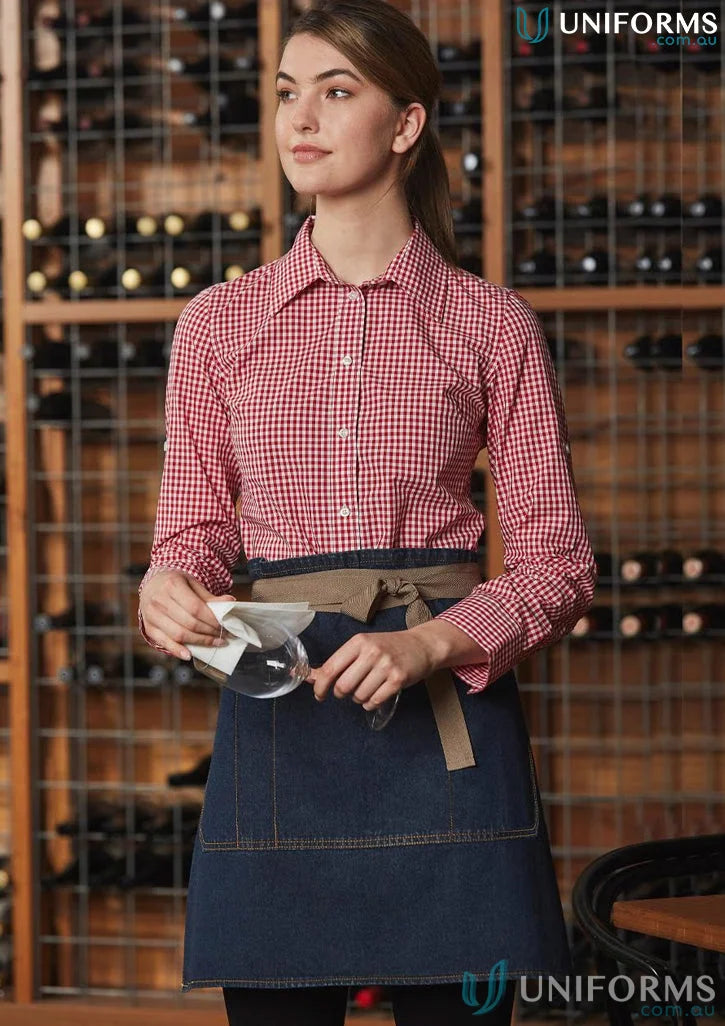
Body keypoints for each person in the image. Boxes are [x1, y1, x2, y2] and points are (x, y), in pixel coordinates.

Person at [137, 1, 598, 1023]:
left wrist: (430, 643)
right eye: (286, 93)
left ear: (403, 125)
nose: (299, 118)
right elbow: (193, 533)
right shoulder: (216, 325)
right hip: (276, 719)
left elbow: (558, 565)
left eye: (335, 92)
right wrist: (169, 588)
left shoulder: (489, 324)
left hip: (444, 730)